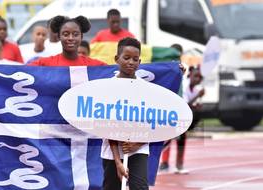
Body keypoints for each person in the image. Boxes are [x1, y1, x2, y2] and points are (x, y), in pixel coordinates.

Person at [101, 37, 149, 190]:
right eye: (126, 57)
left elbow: (153, 122)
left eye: (135, 59)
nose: (131, 62)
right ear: (117, 59)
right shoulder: (107, 87)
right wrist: (117, 162)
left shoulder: (147, 89)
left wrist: (138, 144)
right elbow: (107, 125)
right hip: (112, 151)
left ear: (140, 62)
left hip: (139, 149)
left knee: (140, 187)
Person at [160, 66, 204, 174]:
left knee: (181, 141)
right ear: (190, 76)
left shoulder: (196, 89)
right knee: (167, 141)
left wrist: (196, 106)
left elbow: (190, 106)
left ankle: (179, 165)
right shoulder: (184, 86)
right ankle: (163, 163)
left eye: (199, 77)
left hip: (182, 119)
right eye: (195, 76)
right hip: (172, 116)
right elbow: (184, 104)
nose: (197, 79)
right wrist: (197, 96)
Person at [29, 15, 106, 66]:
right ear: (59, 36)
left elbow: (113, 73)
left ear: (81, 36)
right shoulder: (45, 63)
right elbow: (21, 72)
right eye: (66, 34)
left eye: (75, 34)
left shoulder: (95, 66)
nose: (71, 38)